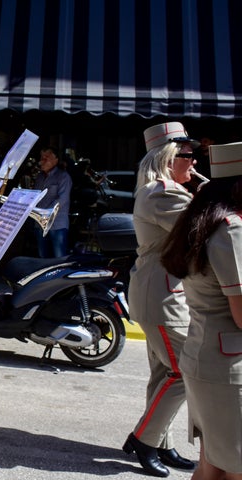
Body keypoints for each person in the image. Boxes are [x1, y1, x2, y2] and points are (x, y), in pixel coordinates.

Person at [160, 141, 242, 480]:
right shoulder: (232, 229)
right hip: (228, 369)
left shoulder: (208, 221)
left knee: (213, 466)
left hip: (209, 359)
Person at [122, 122, 199, 478]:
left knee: (163, 372)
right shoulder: (163, 194)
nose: (193, 159)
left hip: (160, 292)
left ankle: (160, 441)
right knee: (183, 372)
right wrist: (209, 190)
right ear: (169, 159)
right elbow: (206, 233)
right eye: (186, 153)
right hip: (164, 297)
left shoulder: (164, 191)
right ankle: (145, 439)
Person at [33, 146, 72, 258]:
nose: (43, 160)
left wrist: (43, 213)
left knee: (59, 258)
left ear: (56, 160)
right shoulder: (39, 177)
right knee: (42, 258)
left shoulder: (63, 177)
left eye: (47, 157)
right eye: (42, 157)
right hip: (40, 225)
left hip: (57, 224)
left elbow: (62, 199)